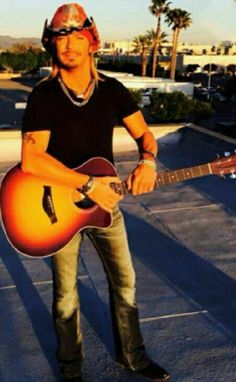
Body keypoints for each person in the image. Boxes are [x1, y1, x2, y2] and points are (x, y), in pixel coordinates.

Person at [21, 3, 170, 381]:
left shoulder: (114, 91)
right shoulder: (45, 96)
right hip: (57, 208)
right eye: (60, 38)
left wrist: (147, 163)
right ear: (51, 45)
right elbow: (32, 161)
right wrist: (86, 184)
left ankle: (133, 357)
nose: (68, 45)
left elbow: (145, 136)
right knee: (65, 294)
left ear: (92, 42)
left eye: (76, 36)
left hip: (107, 208)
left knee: (126, 283)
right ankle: (71, 370)